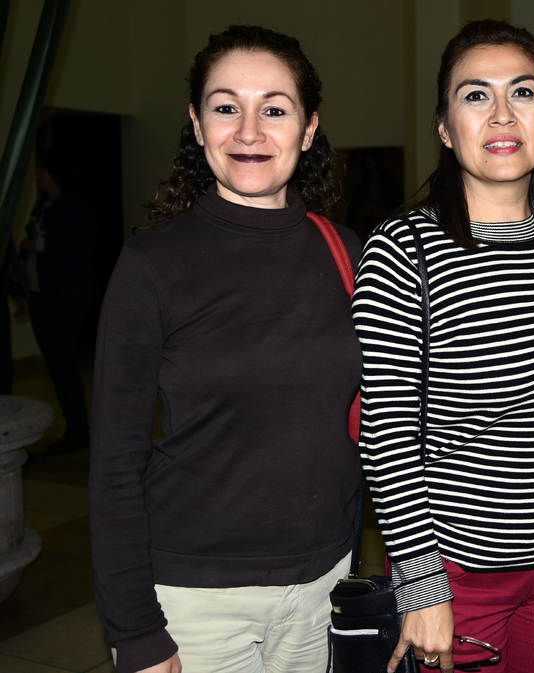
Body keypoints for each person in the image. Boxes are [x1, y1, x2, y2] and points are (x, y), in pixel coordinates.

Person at [89, 26, 361, 673]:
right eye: (225, 107)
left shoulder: (348, 253)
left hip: (323, 584)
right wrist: (136, 629)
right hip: (194, 598)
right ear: (196, 123)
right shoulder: (152, 264)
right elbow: (116, 463)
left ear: (309, 128)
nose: (248, 131)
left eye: (274, 109)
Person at [352, 20, 534, 673]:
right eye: (476, 95)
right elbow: (386, 432)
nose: (502, 114)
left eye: (523, 92)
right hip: (460, 572)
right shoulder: (404, 248)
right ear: (445, 127)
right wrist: (421, 583)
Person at [20, 147, 97, 453]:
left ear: (56, 174)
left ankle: (78, 428)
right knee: (55, 363)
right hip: (41, 295)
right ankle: (73, 425)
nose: (37, 173)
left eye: (42, 167)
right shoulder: (42, 207)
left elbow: (83, 249)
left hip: (68, 296)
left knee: (62, 362)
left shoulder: (75, 208)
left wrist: (39, 245)